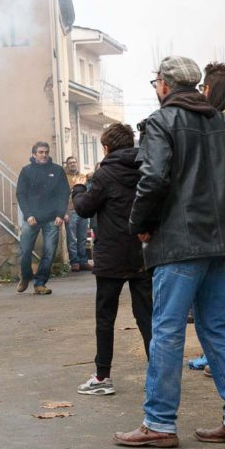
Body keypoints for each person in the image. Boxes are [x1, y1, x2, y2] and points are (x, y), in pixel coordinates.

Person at [114, 56, 225, 448]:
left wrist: (140, 225)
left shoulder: (160, 123)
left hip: (180, 243)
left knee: (166, 330)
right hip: (224, 243)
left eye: (155, 83)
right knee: (219, 332)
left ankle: (160, 423)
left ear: (164, 85)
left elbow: (153, 178)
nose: (155, 89)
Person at [69, 123, 152, 397]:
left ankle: (102, 376)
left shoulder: (104, 175)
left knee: (105, 318)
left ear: (106, 147)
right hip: (143, 252)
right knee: (148, 317)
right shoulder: (147, 169)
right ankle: (157, 374)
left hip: (112, 256)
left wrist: (78, 188)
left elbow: (83, 208)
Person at [14, 141, 69, 295]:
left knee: (49, 251)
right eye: (40, 152)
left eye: (46, 152)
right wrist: (28, 214)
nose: (44, 155)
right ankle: (25, 277)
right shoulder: (26, 171)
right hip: (31, 218)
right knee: (25, 251)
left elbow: (63, 193)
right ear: (34, 154)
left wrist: (60, 213)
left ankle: (40, 283)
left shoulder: (57, 171)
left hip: (52, 218)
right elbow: (20, 194)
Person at [64, 156, 91, 272]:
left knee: (82, 238)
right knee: (72, 239)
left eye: (74, 162)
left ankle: (84, 262)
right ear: (67, 164)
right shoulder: (63, 178)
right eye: (70, 163)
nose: (73, 164)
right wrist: (63, 212)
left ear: (77, 163)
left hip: (83, 211)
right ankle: (74, 262)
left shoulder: (83, 177)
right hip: (70, 211)